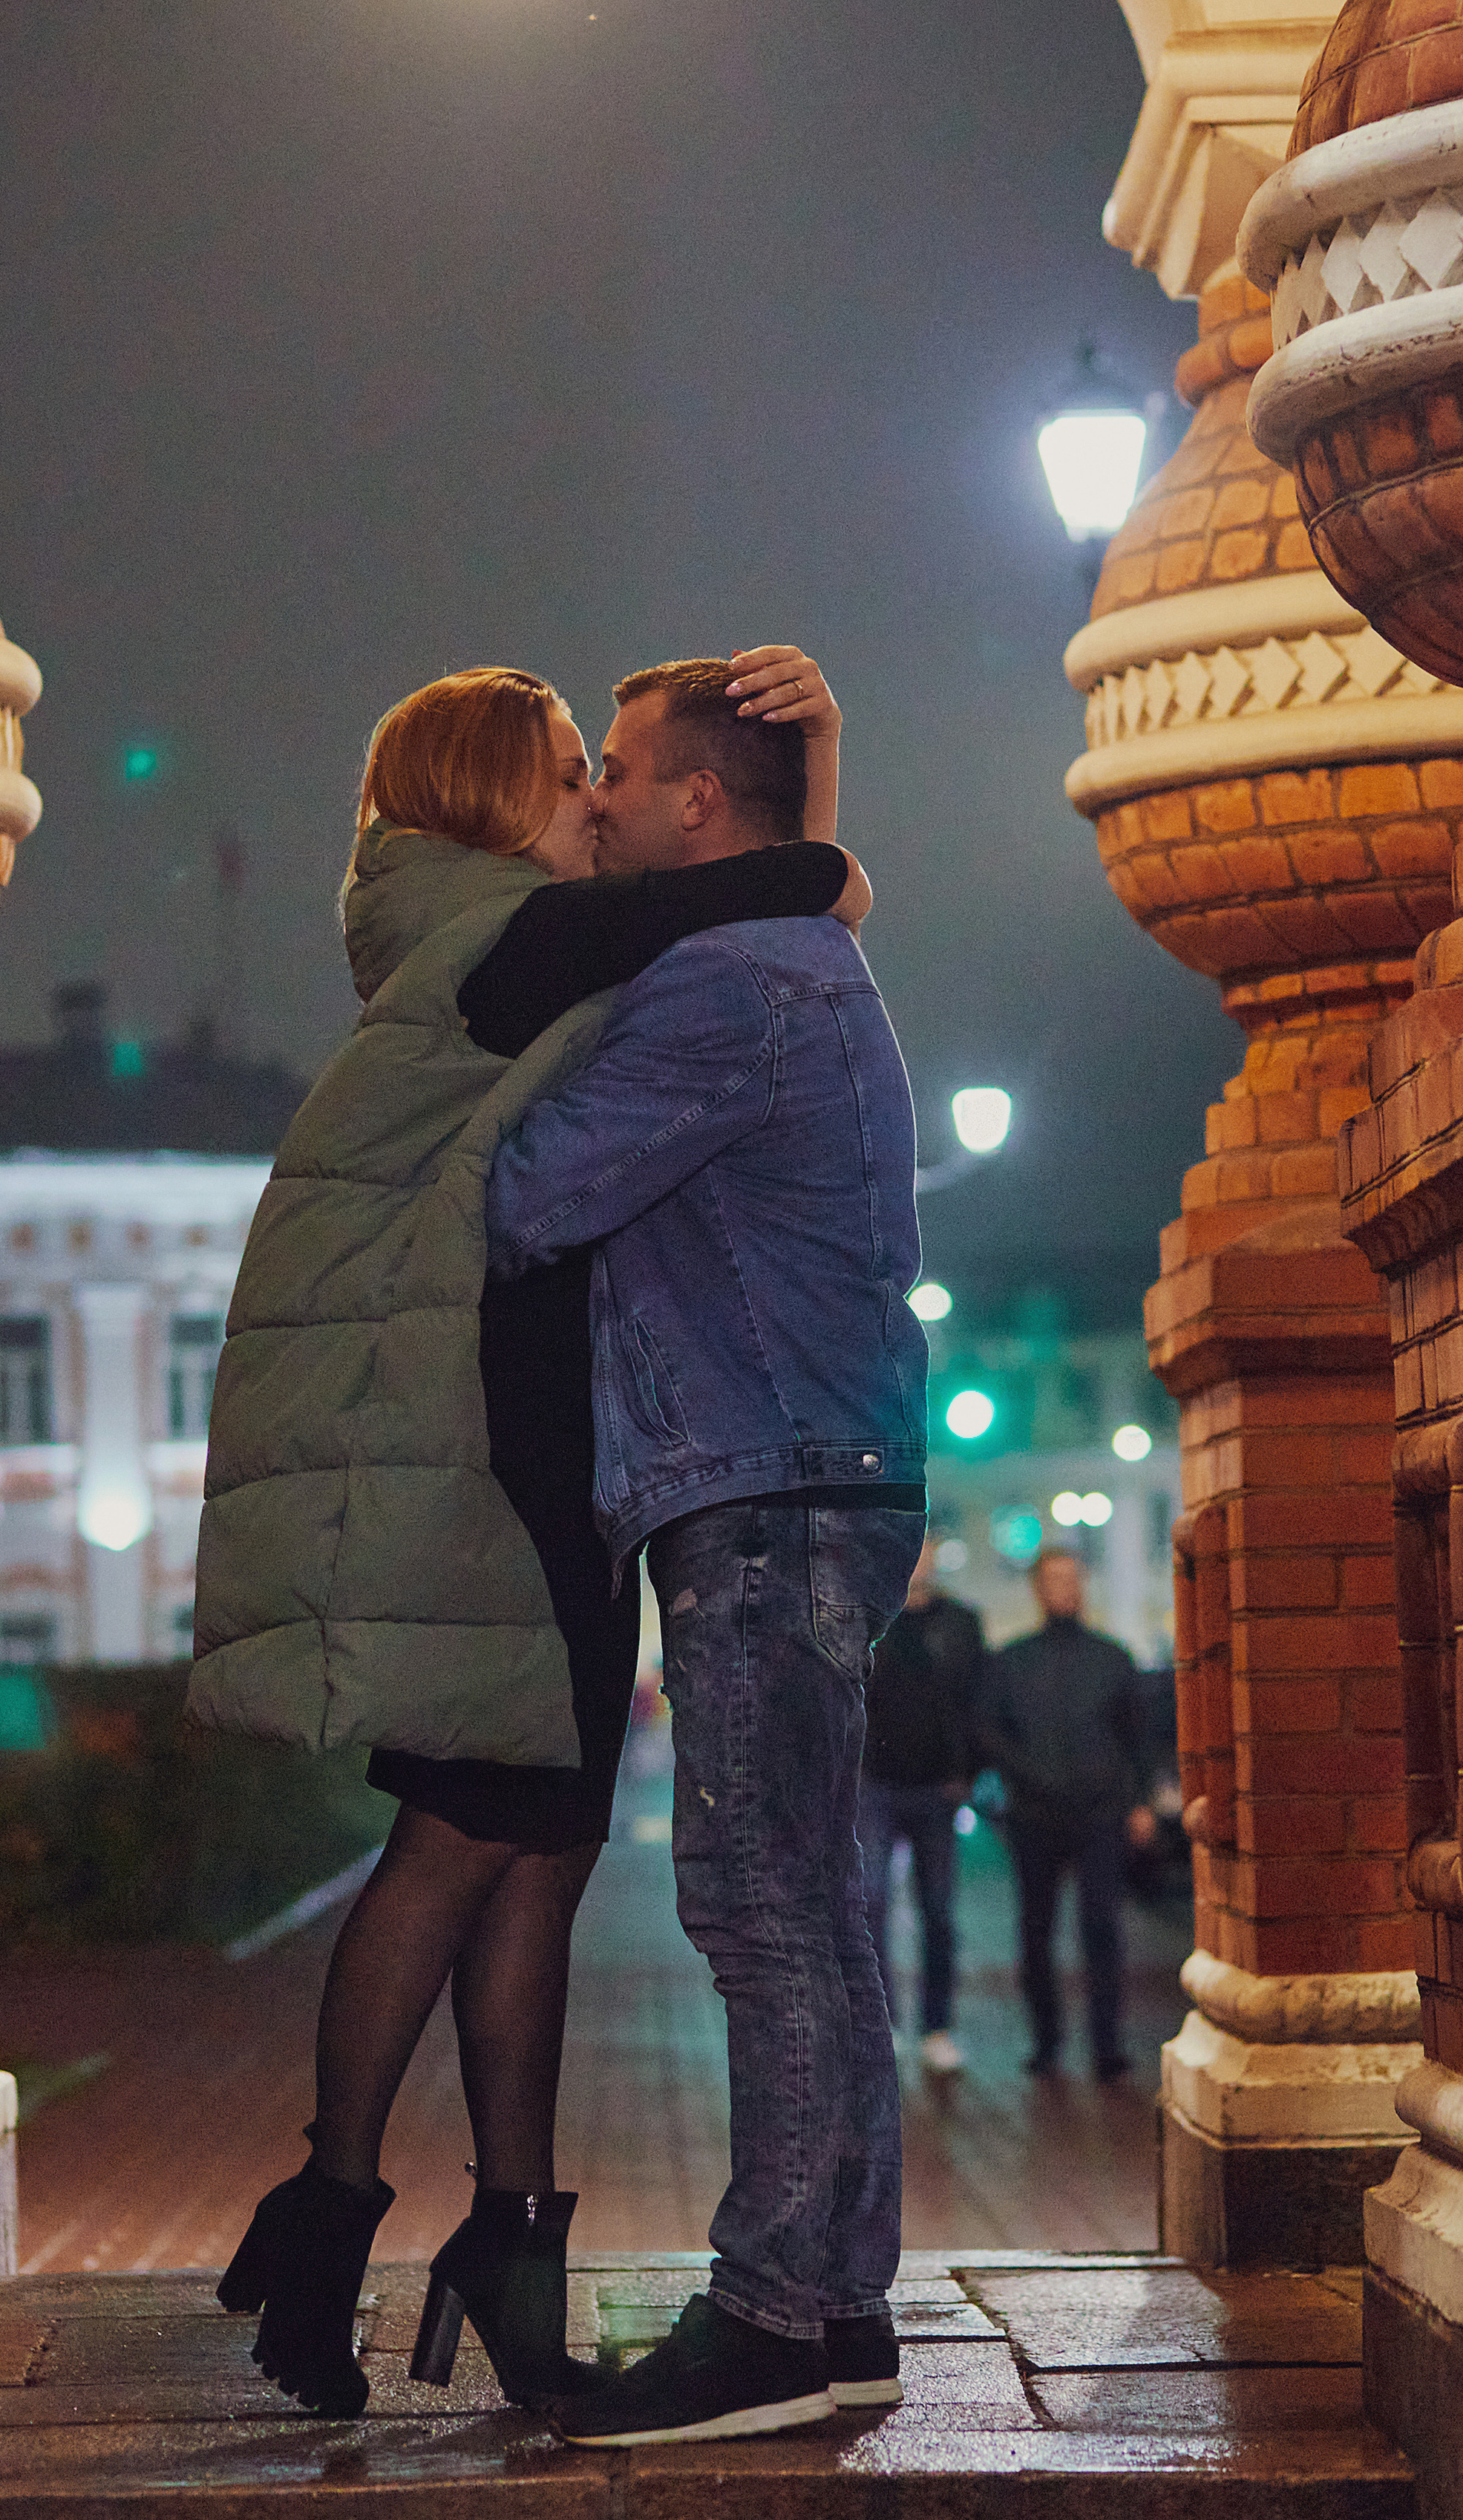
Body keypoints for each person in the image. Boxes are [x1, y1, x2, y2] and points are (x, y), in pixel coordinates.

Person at [189, 651, 866, 2421]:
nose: (592, 797)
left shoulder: (473, 936)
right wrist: (814, 789)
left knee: (541, 1845)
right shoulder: (510, 938)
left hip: (525, 1445)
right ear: (497, 794)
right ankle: (331, 2213)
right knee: (457, 1832)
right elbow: (793, 884)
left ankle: (505, 2235)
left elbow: (756, 901)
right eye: (571, 766)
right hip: (488, 1453)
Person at [482, 657, 927, 2449]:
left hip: (764, 1483)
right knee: (810, 1906)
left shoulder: (727, 982)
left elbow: (527, 1191)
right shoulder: (787, 955)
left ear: (691, 802)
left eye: (617, 768)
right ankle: (834, 2307)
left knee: (757, 1905)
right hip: (805, 1468)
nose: (592, 797)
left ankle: (767, 2321)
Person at [974, 1547, 1157, 2084]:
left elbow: (1137, 1737)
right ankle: (1047, 2043)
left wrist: (1140, 1801)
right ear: (1038, 1588)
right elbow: (989, 1730)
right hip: (1034, 1814)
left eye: (1072, 1577)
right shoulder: (1012, 1662)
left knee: (1102, 1928)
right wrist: (1024, 1775)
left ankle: (1107, 2047)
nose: (1065, 1587)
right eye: (1054, 1578)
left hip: (1100, 1812)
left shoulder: (1111, 1658)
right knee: (1037, 1931)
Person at [860, 1538, 985, 2074]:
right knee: (871, 1905)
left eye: (926, 1550)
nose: (918, 1562)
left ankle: (938, 2027)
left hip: (938, 1787)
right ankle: (881, 2023)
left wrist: (967, 1773)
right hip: (875, 1785)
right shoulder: (870, 1616)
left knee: (939, 1913)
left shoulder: (960, 1623)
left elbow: (977, 1702)